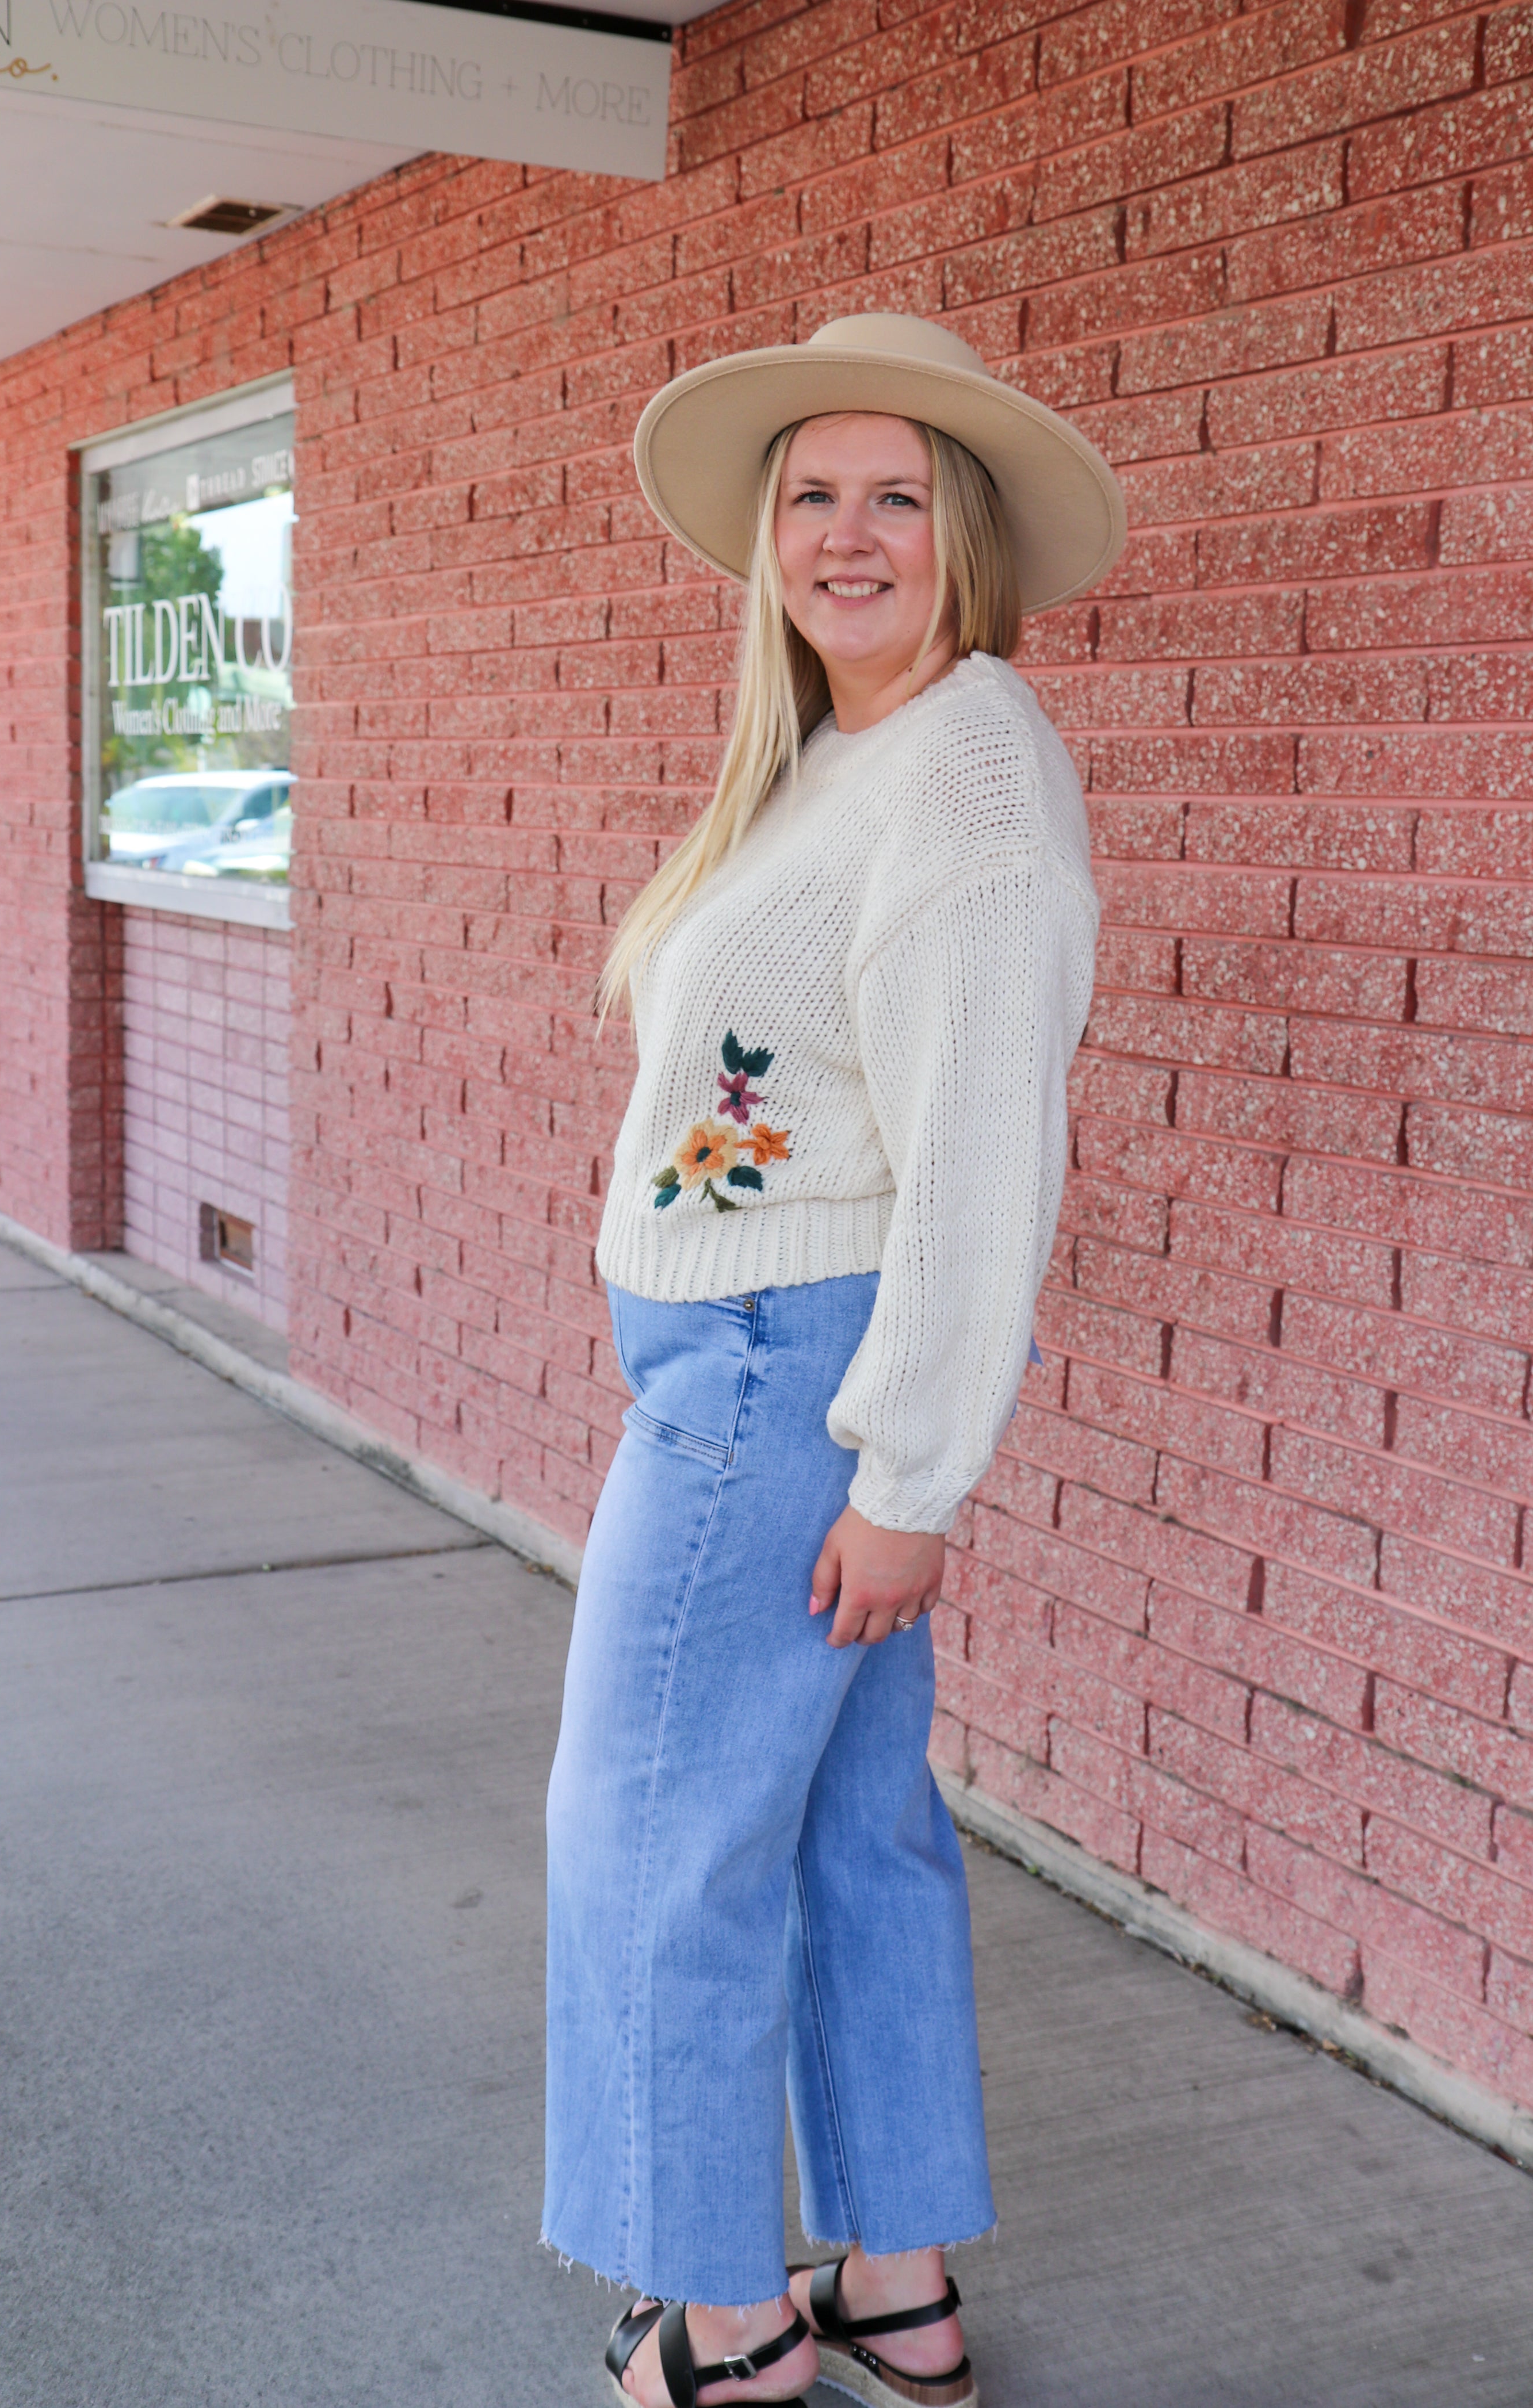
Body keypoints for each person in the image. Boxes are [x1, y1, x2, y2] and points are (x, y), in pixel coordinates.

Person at [542, 314, 1125, 2408]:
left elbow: (989, 1160)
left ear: (963, 531)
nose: (848, 533)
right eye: (813, 494)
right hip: (776, 1372)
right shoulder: (840, 755)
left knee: (645, 1830)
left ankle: (714, 2317)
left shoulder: (966, 758)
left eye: (898, 494)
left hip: (782, 1393)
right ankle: (896, 2281)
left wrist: (906, 1480)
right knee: (836, 1836)